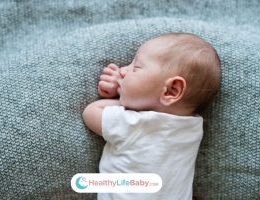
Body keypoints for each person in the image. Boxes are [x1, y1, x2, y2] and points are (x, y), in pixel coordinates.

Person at [82, 32, 221, 200]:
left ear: (172, 91)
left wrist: (118, 97)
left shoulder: (135, 124)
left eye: (136, 67)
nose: (123, 71)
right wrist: (126, 89)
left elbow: (91, 112)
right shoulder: (193, 127)